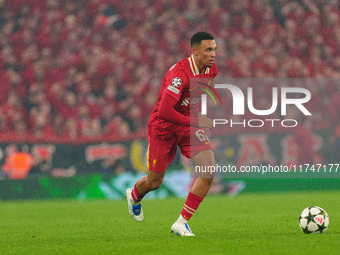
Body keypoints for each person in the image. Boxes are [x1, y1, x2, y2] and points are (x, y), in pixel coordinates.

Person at [125, 31, 218, 236]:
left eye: (214, 50)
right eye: (208, 50)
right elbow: (165, 112)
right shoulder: (180, 75)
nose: (213, 54)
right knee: (154, 182)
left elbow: (194, 95)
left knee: (209, 169)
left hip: (186, 126)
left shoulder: (211, 71)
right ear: (194, 51)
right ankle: (134, 195)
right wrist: (196, 121)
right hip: (163, 127)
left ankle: (181, 222)